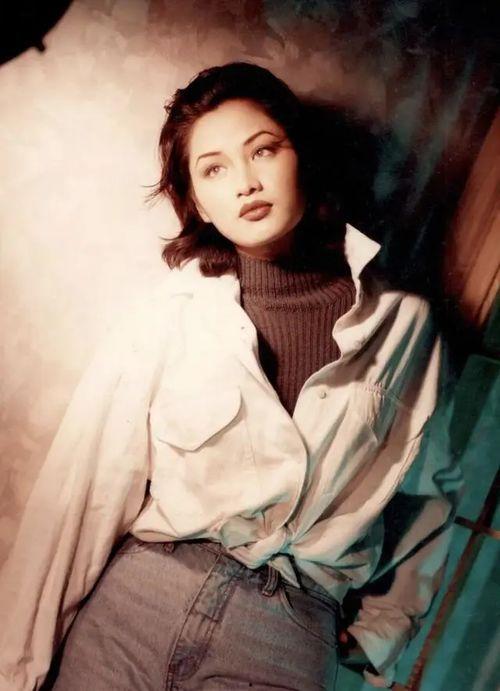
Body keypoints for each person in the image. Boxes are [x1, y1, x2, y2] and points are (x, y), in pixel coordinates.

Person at [0, 62, 461, 691]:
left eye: (263, 151)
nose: (246, 183)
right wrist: (16, 670)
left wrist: (383, 628)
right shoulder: (170, 313)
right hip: (137, 604)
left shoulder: (404, 326)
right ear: (197, 201)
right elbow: (85, 489)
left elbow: (426, 494)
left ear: (302, 158)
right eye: (214, 169)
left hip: (285, 633)